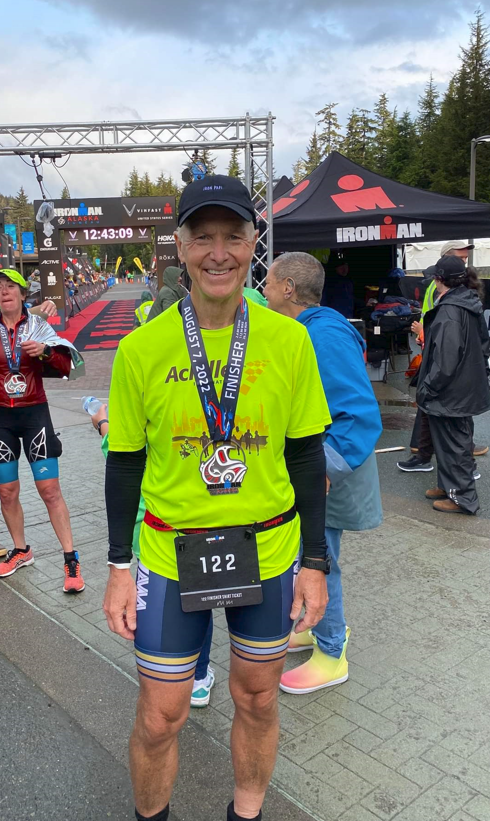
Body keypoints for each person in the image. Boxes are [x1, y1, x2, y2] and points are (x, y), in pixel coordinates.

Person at [103, 174, 331, 821]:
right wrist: (118, 567)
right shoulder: (140, 349)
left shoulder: (289, 341)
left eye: (233, 236)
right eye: (203, 237)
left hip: (270, 550)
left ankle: (245, 815)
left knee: (258, 699)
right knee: (160, 715)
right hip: (170, 555)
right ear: (180, 246)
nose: (219, 253)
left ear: (254, 243)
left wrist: (316, 562)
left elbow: (306, 454)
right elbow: (124, 463)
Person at [264, 252, 382, 693]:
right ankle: (315, 628)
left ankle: (332, 653)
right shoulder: (312, 330)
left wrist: (322, 471)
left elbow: (359, 414)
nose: (263, 290)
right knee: (311, 557)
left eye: (269, 282)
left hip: (327, 474)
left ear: (289, 288)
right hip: (318, 470)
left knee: (319, 561)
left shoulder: (323, 335)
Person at [90, 402, 215, 707]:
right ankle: (198, 677)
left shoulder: (137, 417)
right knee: (199, 599)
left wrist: (102, 423)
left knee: (168, 598)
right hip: (189, 524)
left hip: (148, 531)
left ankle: (172, 674)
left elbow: (117, 455)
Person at [0, 269, 85, 591]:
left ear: (23, 294)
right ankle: (21, 550)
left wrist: (46, 352)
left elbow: (68, 367)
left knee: (49, 491)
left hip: (35, 414)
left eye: (11, 286)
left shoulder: (37, 326)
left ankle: (70, 559)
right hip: (2, 420)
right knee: (6, 491)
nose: (4, 291)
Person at [398, 240, 488, 473]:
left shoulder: (459, 298)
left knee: (453, 419)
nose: (464, 262)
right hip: (438, 357)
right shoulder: (444, 291)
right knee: (434, 413)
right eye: (460, 258)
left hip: (447, 367)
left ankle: (461, 469)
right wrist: (425, 336)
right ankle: (426, 457)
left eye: (465, 259)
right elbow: (433, 319)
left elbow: (453, 340)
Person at [416, 256, 490, 514]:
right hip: (463, 387)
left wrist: (428, 387)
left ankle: (462, 497)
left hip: (451, 391)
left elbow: (446, 360)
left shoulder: (450, 309)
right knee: (452, 441)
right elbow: (482, 344)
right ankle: (449, 487)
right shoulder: (467, 301)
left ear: (439, 280)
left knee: (454, 444)